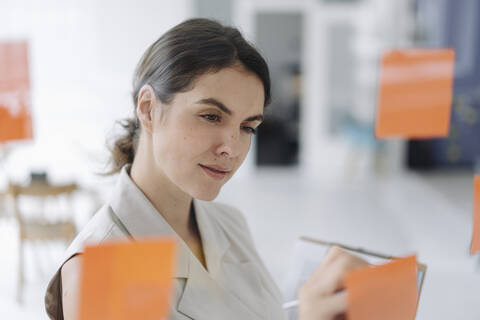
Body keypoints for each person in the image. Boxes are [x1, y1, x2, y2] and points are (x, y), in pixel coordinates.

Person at [44, 18, 367, 320]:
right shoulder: (102, 268)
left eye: (247, 127)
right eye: (211, 116)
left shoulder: (229, 223)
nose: (231, 147)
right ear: (149, 109)